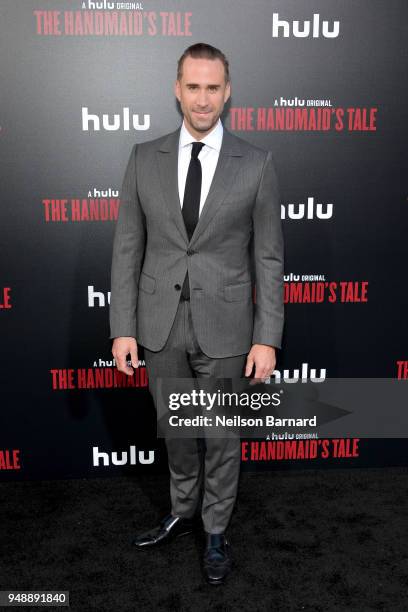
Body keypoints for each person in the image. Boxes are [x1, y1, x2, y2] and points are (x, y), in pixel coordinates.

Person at [109, 42, 284, 585]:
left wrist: (267, 337)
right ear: (176, 89)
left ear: (227, 92)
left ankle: (214, 530)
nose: (202, 99)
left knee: (223, 437)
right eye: (193, 86)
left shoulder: (256, 163)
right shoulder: (144, 157)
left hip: (228, 328)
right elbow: (126, 250)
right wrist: (123, 329)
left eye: (213, 88)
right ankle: (182, 512)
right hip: (161, 326)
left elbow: (269, 257)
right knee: (179, 432)